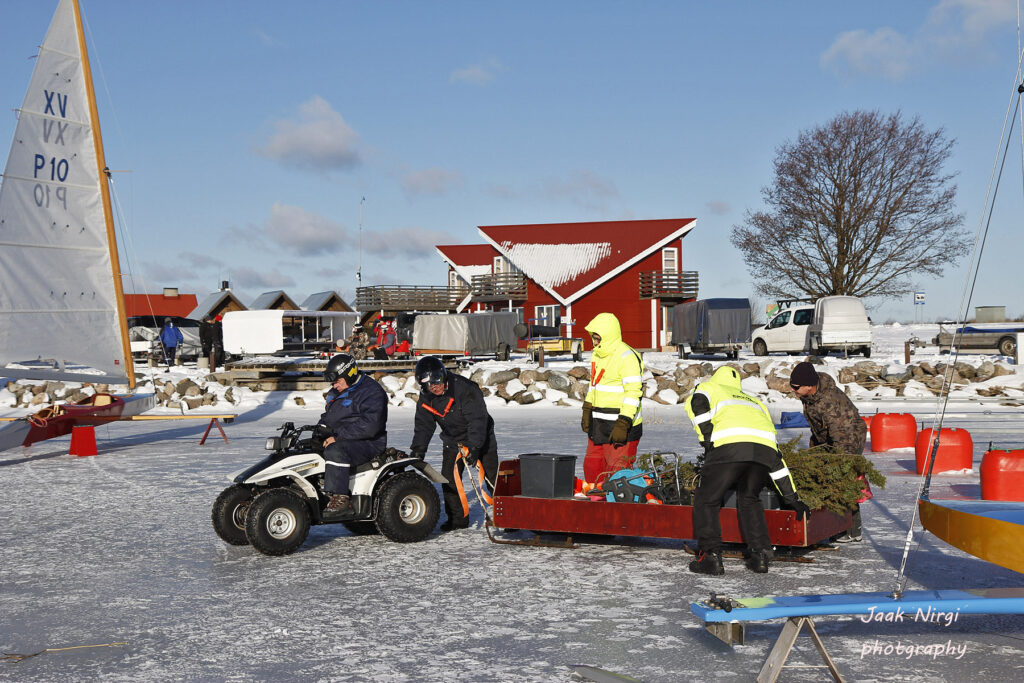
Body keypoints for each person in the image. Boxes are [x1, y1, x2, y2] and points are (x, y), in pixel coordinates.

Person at [685, 366, 811, 574]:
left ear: (716, 378)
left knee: (707, 499)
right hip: (763, 452)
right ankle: (760, 555)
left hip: (728, 449)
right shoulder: (753, 401)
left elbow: (697, 404)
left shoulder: (709, 388)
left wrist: (707, 438)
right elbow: (777, 464)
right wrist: (792, 499)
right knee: (750, 497)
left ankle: (710, 557)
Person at [409, 355, 498, 531]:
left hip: (481, 437)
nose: (435, 387)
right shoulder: (427, 398)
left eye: (438, 381)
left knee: (492, 478)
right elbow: (423, 425)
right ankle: (458, 519)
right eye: (430, 384)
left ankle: (510, 516)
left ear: (443, 375)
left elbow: (477, 420)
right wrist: (419, 450)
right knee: (448, 479)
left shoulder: (465, 389)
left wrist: (474, 446)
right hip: (453, 440)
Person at [790, 361, 868, 543]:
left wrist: (841, 461)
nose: (792, 390)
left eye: (795, 387)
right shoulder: (811, 396)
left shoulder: (830, 403)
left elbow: (843, 435)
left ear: (809, 386)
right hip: (828, 437)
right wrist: (815, 450)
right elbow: (820, 426)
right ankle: (834, 524)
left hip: (848, 438)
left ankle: (850, 529)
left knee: (843, 480)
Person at [317, 353, 389, 512]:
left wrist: (337, 436)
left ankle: (340, 497)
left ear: (349, 375)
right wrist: (320, 429)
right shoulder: (337, 391)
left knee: (336, 451)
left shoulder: (372, 392)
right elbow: (329, 416)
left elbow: (371, 425)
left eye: (337, 382)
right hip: (340, 437)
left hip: (367, 442)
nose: (334, 386)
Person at [580, 313, 643, 484]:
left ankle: (619, 508)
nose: (594, 342)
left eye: (598, 338)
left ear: (608, 336)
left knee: (618, 475)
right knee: (592, 468)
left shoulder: (627, 357)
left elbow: (633, 392)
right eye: (593, 338)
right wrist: (587, 409)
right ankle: (594, 505)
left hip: (621, 427)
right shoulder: (597, 355)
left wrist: (623, 423)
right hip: (598, 425)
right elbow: (595, 384)